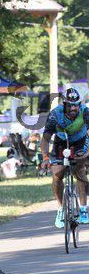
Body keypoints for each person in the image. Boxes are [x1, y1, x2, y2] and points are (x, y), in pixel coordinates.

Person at [40, 88, 89, 227]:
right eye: (70, 105)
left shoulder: (85, 112)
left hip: (80, 143)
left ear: (79, 104)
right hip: (61, 142)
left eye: (76, 105)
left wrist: (86, 154)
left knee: (80, 171)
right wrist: (45, 158)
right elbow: (45, 139)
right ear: (64, 105)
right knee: (57, 174)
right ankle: (61, 209)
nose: (73, 108)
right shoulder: (55, 114)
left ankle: (83, 209)